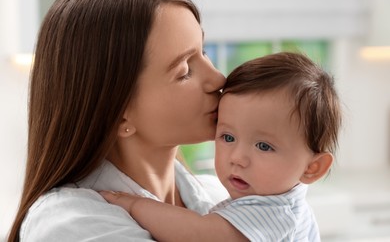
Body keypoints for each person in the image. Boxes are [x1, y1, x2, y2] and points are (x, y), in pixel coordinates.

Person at [8, 0, 227, 241]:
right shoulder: (72, 225)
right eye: (184, 71)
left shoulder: (221, 195)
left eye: (203, 52)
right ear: (119, 112)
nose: (218, 79)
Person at [101, 52, 343, 242]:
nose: (237, 158)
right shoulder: (268, 199)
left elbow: (200, 235)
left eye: (263, 146)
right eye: (227, 137)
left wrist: (135, 205)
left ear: (313, 168)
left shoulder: (275, 212)